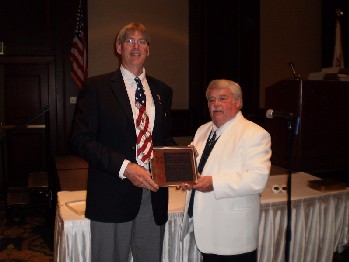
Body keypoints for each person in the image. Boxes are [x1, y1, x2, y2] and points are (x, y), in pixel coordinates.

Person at [70, 22, 176, 262]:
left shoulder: (163, 91)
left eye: (142, 41)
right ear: (118, 47)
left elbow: (162, 139)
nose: (136, 46)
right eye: (129, 41)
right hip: (111, 194)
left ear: (148, 49)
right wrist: (125, 168)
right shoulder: (97, 87)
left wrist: (183, 162)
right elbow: (80, 140)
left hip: (153, 194)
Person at [179, 79, 272, 262]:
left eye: (222, 98)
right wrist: (185, 177)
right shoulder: (203, 130)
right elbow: (192, 166)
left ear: (238, 102)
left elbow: (257, 178)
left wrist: (214, 182)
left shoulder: (254, 133)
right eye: (211, 100)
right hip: (205, 227)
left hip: (232, 234)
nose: (216, 104)